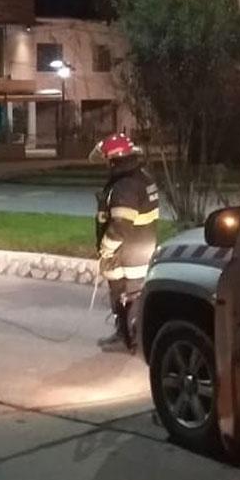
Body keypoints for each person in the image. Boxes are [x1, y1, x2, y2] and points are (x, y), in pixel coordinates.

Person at [93, 132, 160, 353]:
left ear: (114, 159)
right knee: (135, 297)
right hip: (141, 248)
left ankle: (125, 337)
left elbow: (121, 225)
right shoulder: (143, 177)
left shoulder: (124, 187)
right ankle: (136, 338)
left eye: (107, 160)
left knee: (122, 297)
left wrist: (106, 248)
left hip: (125, 254)